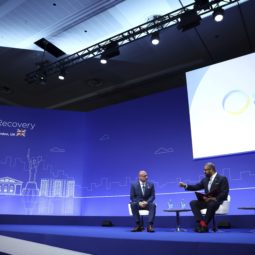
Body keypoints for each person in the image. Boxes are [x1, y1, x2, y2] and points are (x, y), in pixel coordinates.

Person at [179, 162, 229, 233]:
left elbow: (225, 193)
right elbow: (196, 186)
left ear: (211, 170)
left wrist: (214, 198)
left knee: (211, 204)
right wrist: (185, 186)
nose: (204, 172)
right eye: (204, 170)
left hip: (216, 201)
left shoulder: (222, 179)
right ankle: (203, 225)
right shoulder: (205, 180)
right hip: (207, 201)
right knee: (193, 203)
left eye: (205, 170)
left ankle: (203, 226)